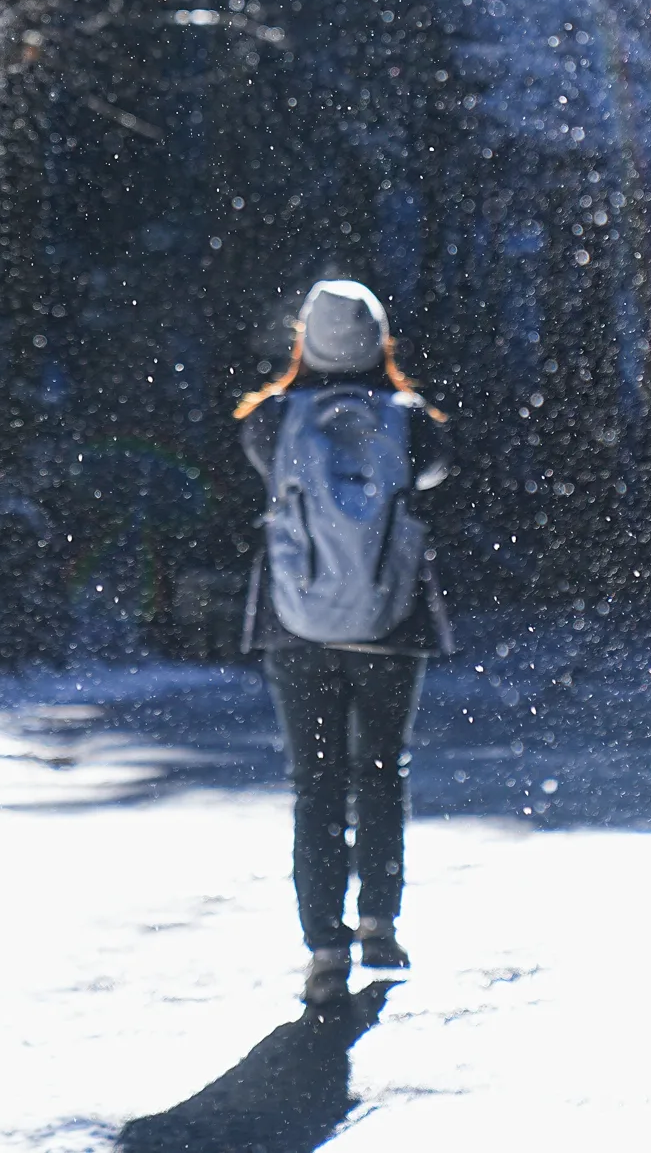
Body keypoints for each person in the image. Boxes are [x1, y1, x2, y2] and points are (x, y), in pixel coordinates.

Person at [235, 278, 453, 1008]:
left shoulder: (269, 423)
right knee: (381, 770)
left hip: (296, 625)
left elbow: (264, 470)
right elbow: (436, 469)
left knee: (316, 784)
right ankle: (378, 921)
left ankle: (324, 947)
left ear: (305, 340)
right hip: (391, 622)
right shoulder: (413, 423)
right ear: (378, 339)